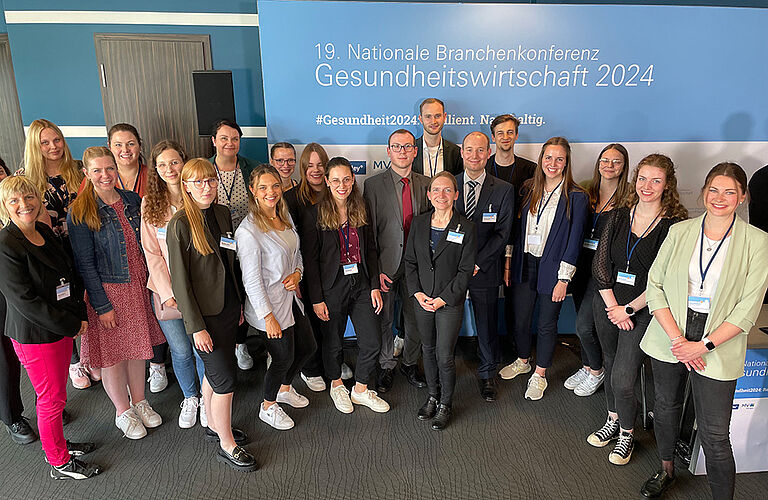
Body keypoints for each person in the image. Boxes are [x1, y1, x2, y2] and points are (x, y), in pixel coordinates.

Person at [639, 163, 768, 499]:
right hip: (672, 331)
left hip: (718, 339)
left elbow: (747, 309)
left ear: (742, 197)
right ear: (703, 192)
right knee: (666, 407)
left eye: (729, 191)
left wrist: (703, 346)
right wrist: (678, 340)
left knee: (714, 432)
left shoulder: (757, 241)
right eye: (713, 190)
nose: (719, 198)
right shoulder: (680, 231)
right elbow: (655, 287)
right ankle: (666, 469)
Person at [588, 154, 686, 466]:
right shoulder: (618, 216)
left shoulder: (674, 226)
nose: (647, 186)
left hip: (644, 310)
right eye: (642, 178)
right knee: (609, 360)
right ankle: (614, 418)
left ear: (667, 185)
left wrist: (629, 309)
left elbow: (665, 277)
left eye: (656, 180)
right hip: (607, 303)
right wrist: (613, 305)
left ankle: (627, 433)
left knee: (623, 378)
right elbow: (601, 265)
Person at [0, 176, 100, 479]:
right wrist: (72, 324)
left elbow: (68, 276)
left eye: (29, 197)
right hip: (36, 335)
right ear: (5, 206)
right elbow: (25, 302)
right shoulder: (5, 244)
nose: (24, 205)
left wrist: (79, 314)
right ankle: (58, 461)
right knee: (51, 398)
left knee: (56, 395)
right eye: (14, 200)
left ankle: (56, 443)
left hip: (59, 327)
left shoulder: (42, 230)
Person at [67, 147, 164, 440]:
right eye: (97, 170)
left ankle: (140, 401)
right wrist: (101, 304)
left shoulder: (133, 200)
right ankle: (123, 411)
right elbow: (85, 264)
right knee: (113, 356)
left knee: (138, 349)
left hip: (137, 285)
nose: (105, 175)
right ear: (86, 173)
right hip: (109, 291)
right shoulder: (81, 212)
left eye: (109, 168)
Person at [166, 158, 257, 472]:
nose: (206, 188)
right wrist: (196, 328)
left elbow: (229, 263)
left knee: (215, 375)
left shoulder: (221, 213)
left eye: (211, 181)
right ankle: (227, 444)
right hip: (204, 319)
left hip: (229, 309)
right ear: (187, 187)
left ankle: (215, 425)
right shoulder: (179, 224)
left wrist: (240, 304)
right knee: (225, 382)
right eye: (198, 183)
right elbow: (180, 282)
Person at [500, 137, 588, 401]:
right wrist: (508, 261)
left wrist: (564, 279)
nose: (553, 163)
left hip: (554, 266)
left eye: (559, 159)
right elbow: (516, 230)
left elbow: (575, 242)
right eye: (548, 158)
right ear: (541, 160)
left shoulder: (577, 196)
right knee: (521, 318)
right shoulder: (528, 188)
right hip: (524, 261)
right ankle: (523, 360)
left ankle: (539, 374)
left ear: (567, 162)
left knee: (547, 323)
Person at [301, 157, 390, 414]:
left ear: (353, 180)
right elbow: (311, 260)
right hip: (331, 286)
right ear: (327, 181)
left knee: (372, 340)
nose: (342, 185)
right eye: (336, 180)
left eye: (347, 179)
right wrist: (316, 299)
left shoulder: (360, 207)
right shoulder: (314, 213)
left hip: (361, 283)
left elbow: (370, 249)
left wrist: (374, 285)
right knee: (333, 342)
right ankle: (337, 385)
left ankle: (360, 389)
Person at [236, 165, 317, 430]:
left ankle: (284, 388)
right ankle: (268, 406)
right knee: (282, 357)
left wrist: (298, 274)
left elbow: (297, 255)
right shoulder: (248, 231)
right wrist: (267, 317)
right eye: (263, 187)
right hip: (269, 308)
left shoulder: (284, 217)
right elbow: (251, 280)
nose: (270, 192)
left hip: (291, 300)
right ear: (253, 191)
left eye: (274, 186)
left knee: (307, 348)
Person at [17, 119, 93, 390]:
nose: (53, 147)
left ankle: (88, 355)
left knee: (84, 298)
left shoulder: (77, 171)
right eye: (45, 142)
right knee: (61, 301)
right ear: (35, 146)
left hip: (82, 245)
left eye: (57, 140)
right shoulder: (25, 178)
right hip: (49, 252)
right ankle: (73, 362)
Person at [141, 140, 208, 428]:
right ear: (155, 169)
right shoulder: (149, 203)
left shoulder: (199, 196)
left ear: (184, 162)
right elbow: (151, 253)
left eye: (175, 162)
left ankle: (207, 398)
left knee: (201, 347)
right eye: (163, 164)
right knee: (180, 350)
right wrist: (169, 294)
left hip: (200, 289)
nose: (170, 169)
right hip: (165, 292)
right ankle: (190, 397)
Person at [405, 172, 476, 430]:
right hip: (422, 300)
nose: (441, 195)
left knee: (445, 355)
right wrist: (418, 294)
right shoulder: (419, 223)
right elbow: (410, 262)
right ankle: (432, 396)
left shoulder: (466, 227)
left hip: (449, 303)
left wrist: (443, 299)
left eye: (447, 190)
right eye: (436, 190)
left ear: (456, 195)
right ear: (429, 194)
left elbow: (465, 271)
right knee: (427, 350)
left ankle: (446, 403)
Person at [363, 129, 430, 393]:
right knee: (385, 318)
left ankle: (410, 364)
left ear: (415, 151)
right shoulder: (372, 185)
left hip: (417, 267)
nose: (402, 151)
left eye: (408, 147)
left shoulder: (427, 184)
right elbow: (368, 232)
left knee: (414, 318)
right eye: (397, 147)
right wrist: (376, 269)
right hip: (386, 266)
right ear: (388, 151)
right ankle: (387, 364)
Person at [565, 144, 632, 397]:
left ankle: (597, 370)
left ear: (624, 166)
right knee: (582, 323)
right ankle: (586, 365)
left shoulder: (628, 199)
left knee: (585, 326)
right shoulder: (585, 189)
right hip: (580, 265)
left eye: (616, 162)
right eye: (605, 160)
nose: (609, 166)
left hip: (604, 272)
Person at [455, 131, 514, 401]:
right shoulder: (447, 186)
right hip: (452, 271)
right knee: (445, 324)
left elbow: (503, 233)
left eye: (480, 150)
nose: (475, 156)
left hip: (485, 269)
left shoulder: (503, 189)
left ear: (488, 152)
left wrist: (478, 263)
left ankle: (488, 373)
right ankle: (444, 374)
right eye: (470, 150)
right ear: (461, 152)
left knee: (487, 323)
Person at [208, 119, 258, 370]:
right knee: (227, 296)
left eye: (235, 138)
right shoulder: (203, 170)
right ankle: (226, 346)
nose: (230, 143)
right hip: (217, 247)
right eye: (224, 138)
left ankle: (242, 344)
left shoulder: (251, 167)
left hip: (249, 243)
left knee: (246, 292)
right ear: (214, 141)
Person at [283, 142, 329, 391]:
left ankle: (330, 362)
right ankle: (311, 369)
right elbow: (289, 242)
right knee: (310, 320)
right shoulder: (292, 198)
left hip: (332, 269)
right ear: (302, 167)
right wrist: (297, 277)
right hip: (306, 270)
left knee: (330, 320)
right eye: (310, 165)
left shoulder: (335, 192)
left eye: (320, 164)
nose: (315, 170)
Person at [0, 167, 38, 446]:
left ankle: (47, 405)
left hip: (19, 288)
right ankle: (12, 416)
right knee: (4, 360)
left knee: (33, 352)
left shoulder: (20, 205)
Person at [412, 98, 462, 176]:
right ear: (421, 119)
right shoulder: (410, 150)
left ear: (444, 117)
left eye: (437, 116)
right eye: (428, 116)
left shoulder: (456, 153)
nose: (433, 121)